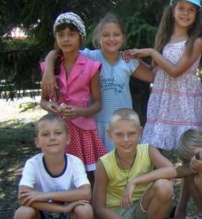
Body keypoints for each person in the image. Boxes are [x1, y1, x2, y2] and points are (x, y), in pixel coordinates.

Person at [41, 13, 155, 151]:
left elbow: (154, 77)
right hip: (97, 125)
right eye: (105, 35)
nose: (111, 39)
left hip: (124, 125)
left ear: (123, 38)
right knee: (102, 163)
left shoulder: (128, 61)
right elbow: (58, 53)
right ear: (98, 38)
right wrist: (48, 70)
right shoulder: (90, 56)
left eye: (116, 34)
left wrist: (151, 53)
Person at [127, 0, 202, 150]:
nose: (186, 13)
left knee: (190, 147)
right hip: (164, 98)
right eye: (181, 8)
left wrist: (151, 52)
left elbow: (175, 71)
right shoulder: (163, 39)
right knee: (154, 145)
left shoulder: (197, 42)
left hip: (185, 99)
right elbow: (155, 73)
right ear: (172, 11)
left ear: (197, 15)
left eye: (191, 10)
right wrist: (135, 59)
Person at [92, 108, 175, 219]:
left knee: (164, 186)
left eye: (131, 133)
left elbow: (171, 170)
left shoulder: (147, 150)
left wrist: (135, 181)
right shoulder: (104, 164)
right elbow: (99, 208)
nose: (126, 140)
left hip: (142, 209)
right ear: (110, 134)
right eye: (119, 134)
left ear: (140, 132)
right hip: (116, 216)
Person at [39, 12, 107, 173]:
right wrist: (48, 105)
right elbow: (42, 100)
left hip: (83, 130)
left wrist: (80, 111)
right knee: (61, 173)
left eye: (71, 34)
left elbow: (98, 104)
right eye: (61, 35)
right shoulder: (49, 68)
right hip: (56, 131)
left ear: (81, 38)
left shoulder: (91, 67)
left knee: (88, 174)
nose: (66, 39)